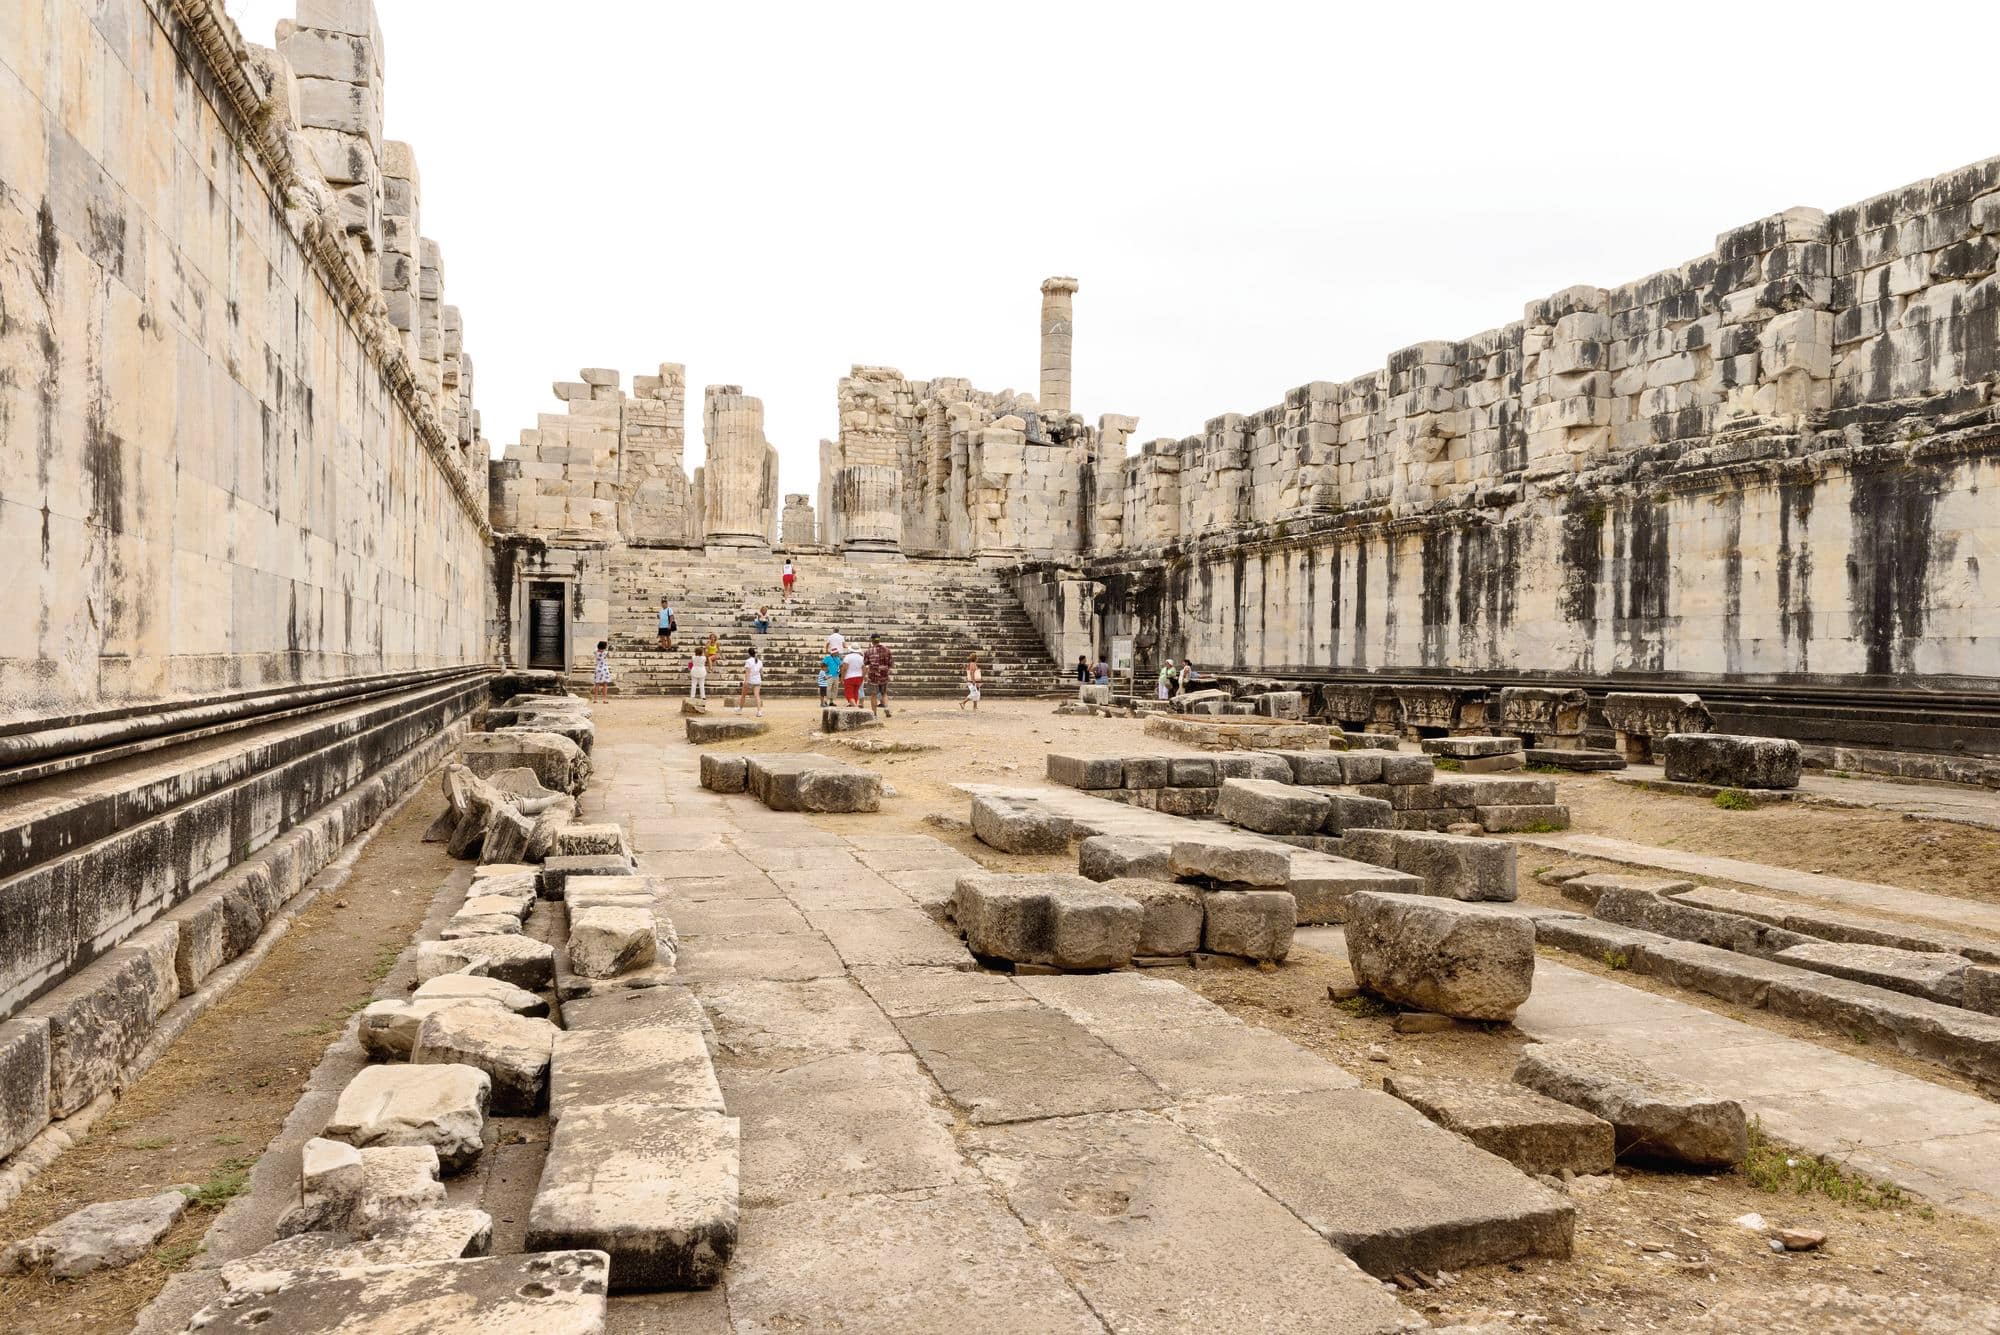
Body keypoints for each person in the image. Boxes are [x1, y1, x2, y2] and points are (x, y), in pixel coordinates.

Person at [863, 634, 894, 718]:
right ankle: (886, 708)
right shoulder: (887, 650)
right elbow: (891, 663)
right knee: (884, 693)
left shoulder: (868, 651)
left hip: (873, 675)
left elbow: (865, 663)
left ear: (872, 640)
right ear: (879, 640)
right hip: (884, 674)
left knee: (873, 695)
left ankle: (874, 714)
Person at [737, 648, 764, 716]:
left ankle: (740, 709)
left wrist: (746, 681)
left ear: (749, 653)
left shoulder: (748, 661)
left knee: (743, 695)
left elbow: (747, 672)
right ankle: (759, 711)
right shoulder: (760, 661)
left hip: (750, 680)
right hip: (757, 680)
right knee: (757, 695)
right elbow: (761, 672)